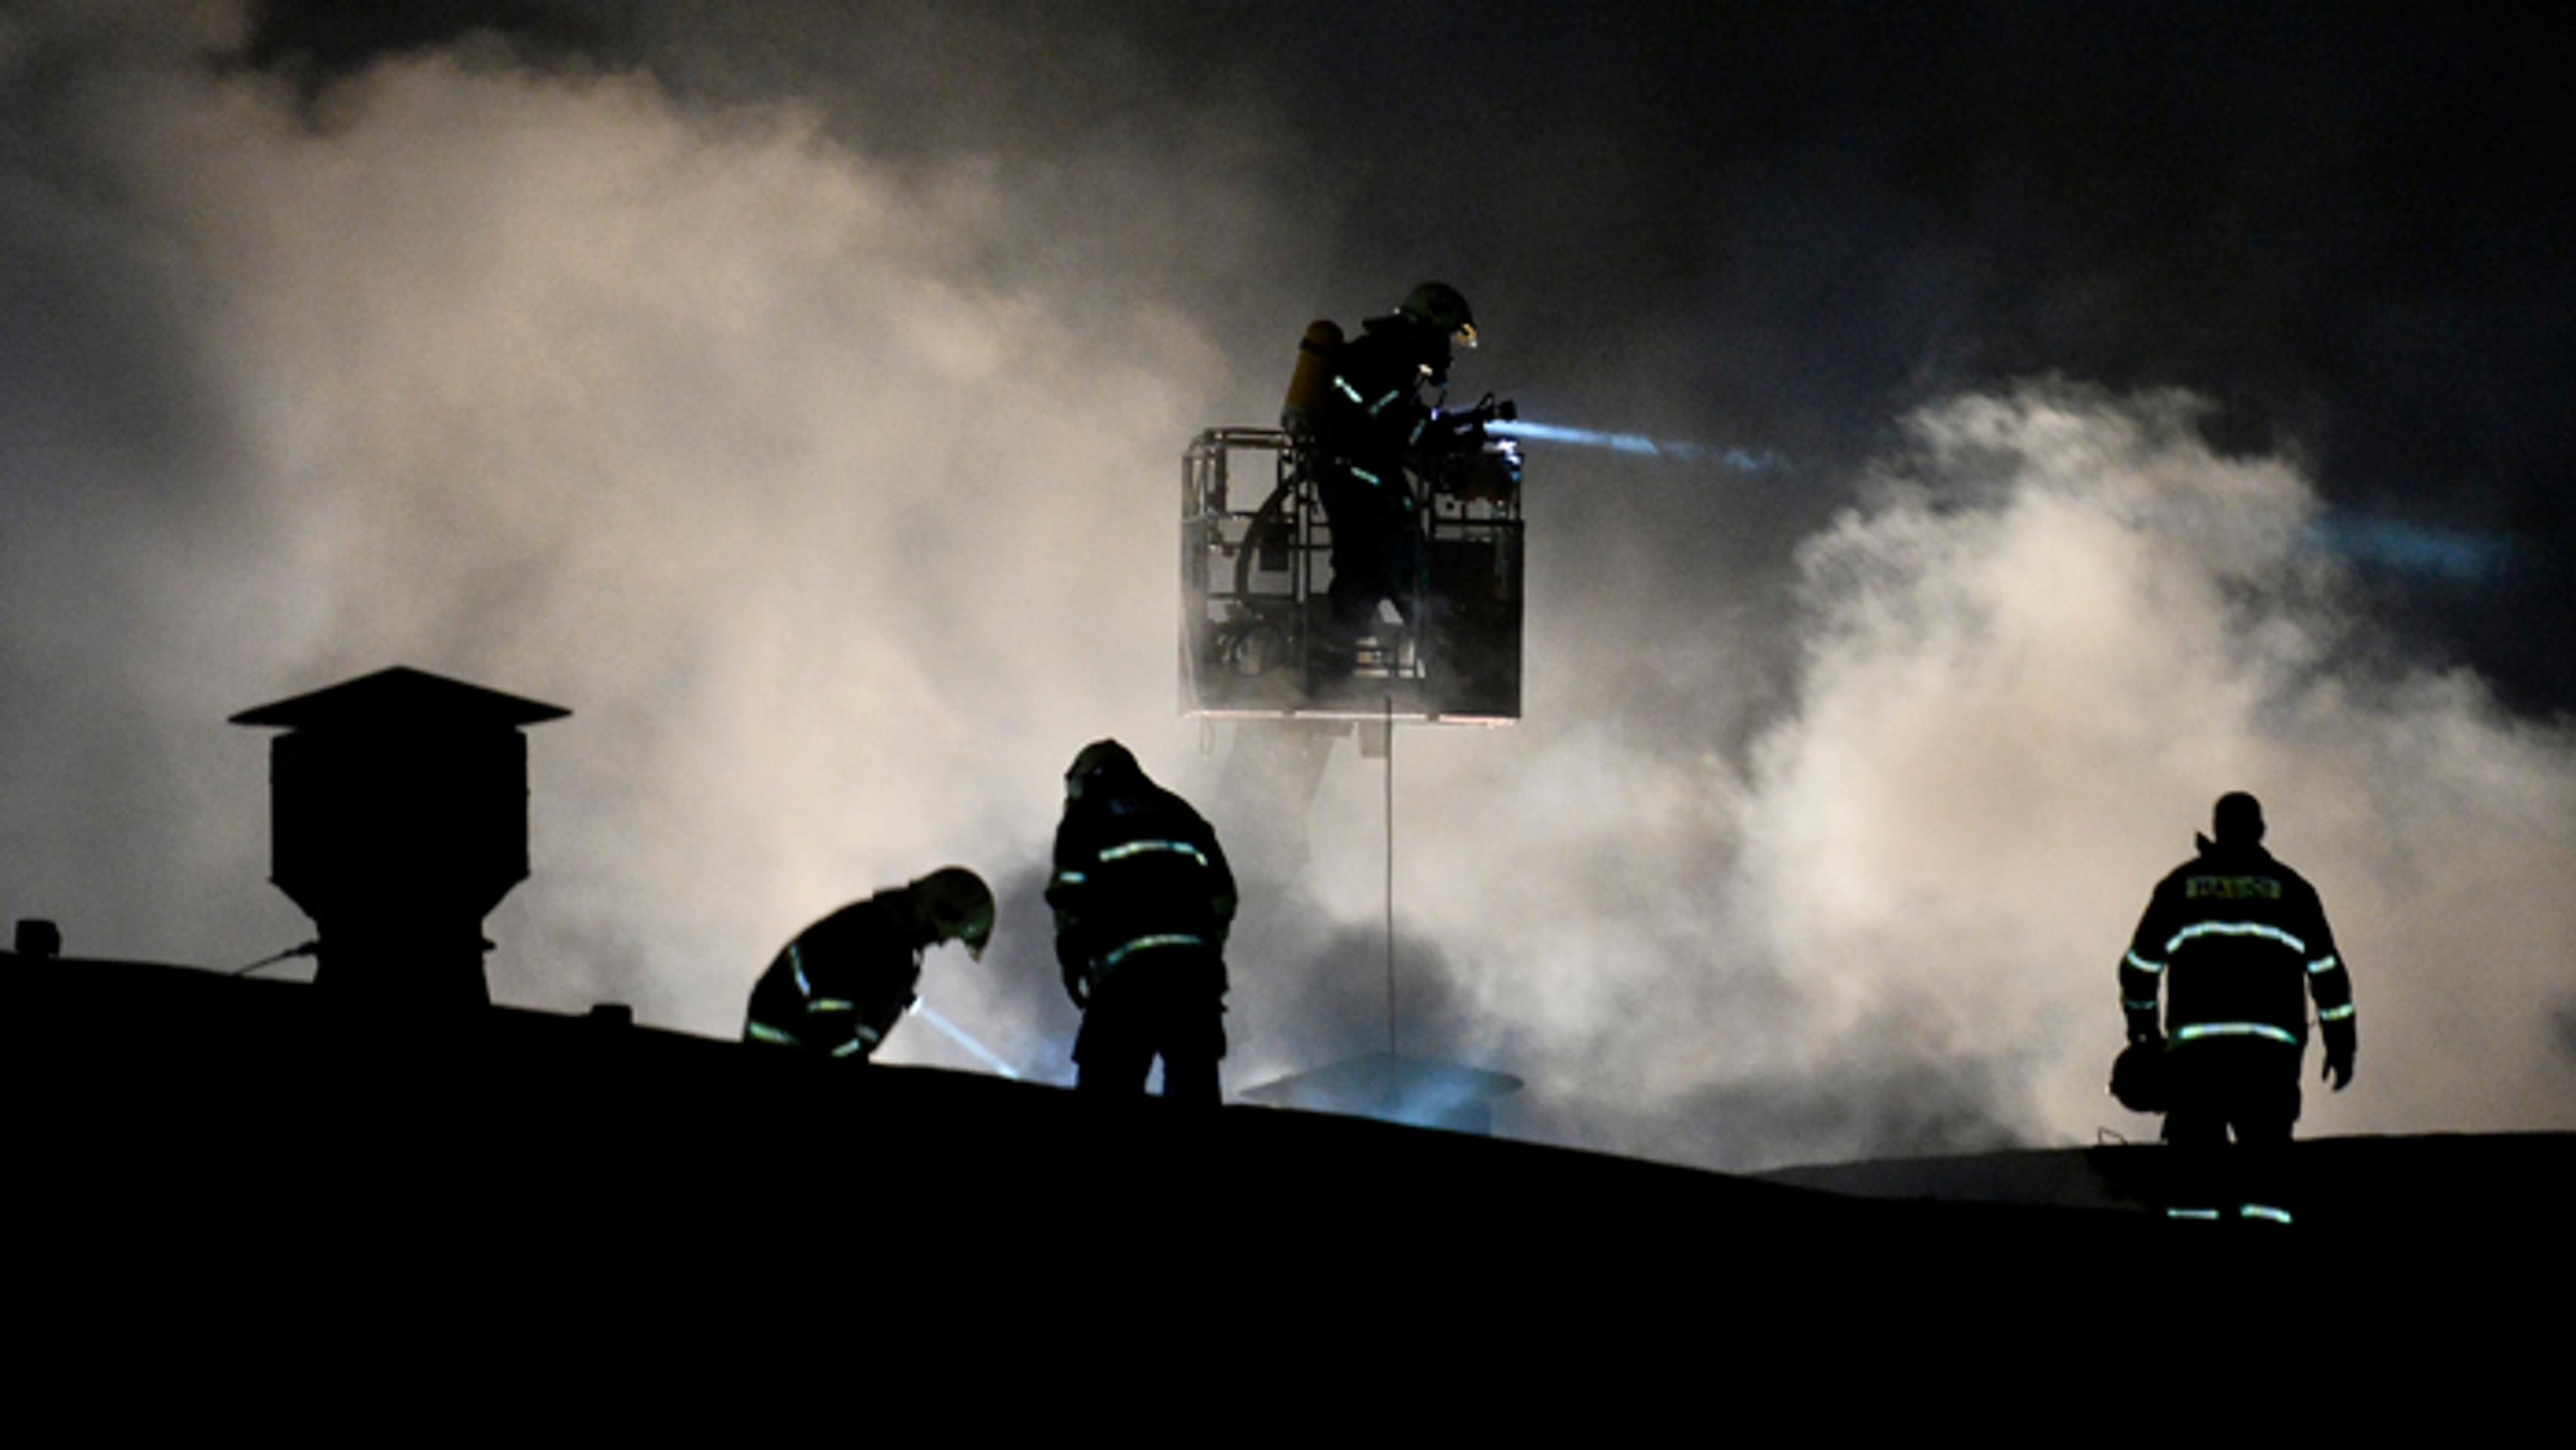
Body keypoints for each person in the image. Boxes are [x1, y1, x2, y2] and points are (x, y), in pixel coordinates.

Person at [2117, 792, 2355, 1223]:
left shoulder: (2180, 887)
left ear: (2217, 830)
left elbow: (2140, 967)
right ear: (2260, 831)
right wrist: (2341, 1045)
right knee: (2266, 1170)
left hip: (2196, 1058)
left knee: (2194, 1171)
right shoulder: (2293, 891)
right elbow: (2327, 973)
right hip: (2269, 1057)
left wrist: (2143, 1032)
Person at [1285, 282, 1481, 676]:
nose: (1446, 352)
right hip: (1355, 481)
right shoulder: (1382, 358)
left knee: (1371, 572)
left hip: (1359, 478)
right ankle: (1446, 665)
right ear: (1429, 328)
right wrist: (1443, 440)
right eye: (1445, 337)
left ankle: (1335, 666)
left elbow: (1395, 424)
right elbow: (1395, 422)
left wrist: (1448, 436)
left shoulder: (1389, 359)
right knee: (1385, 569)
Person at [1046, 739, 1236, 1103]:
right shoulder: (1183, 814)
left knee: (1106, 1091)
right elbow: (1223, 897)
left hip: (1127, 981)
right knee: (1194, 1091)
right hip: (1194, 983)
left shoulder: (1086, 816)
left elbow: (1068, 898)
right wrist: (1208, 950)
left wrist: (1072, 962)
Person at [743, 866, 995, 1060]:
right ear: (941, 915)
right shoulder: (881, 941)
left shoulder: (881, 934)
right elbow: (831, 1018)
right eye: (948, 935)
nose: (940, 943)